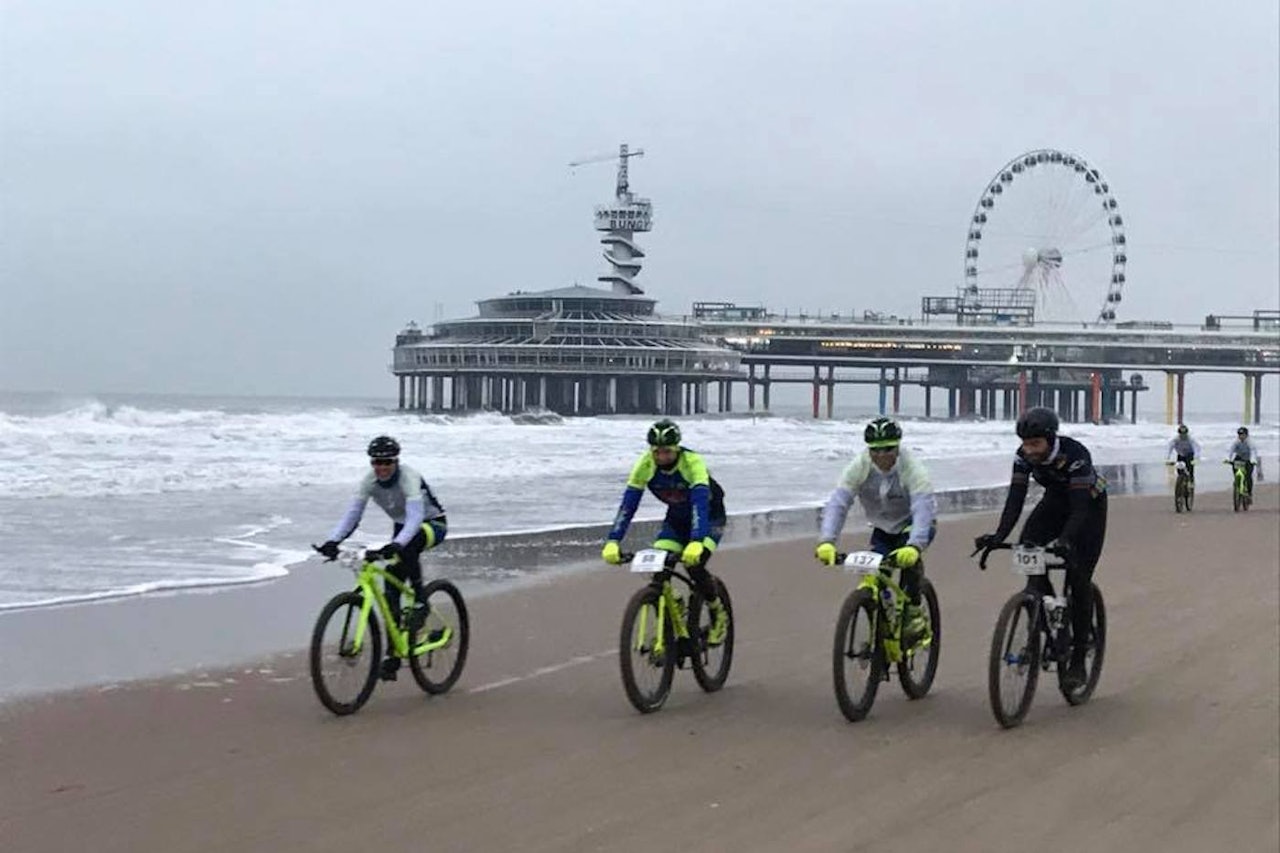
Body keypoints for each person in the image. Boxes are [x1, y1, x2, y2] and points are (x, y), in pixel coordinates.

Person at [974, 407, 1108, 692]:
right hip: (1056, 503)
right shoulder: (1023, 456)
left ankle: (1078, 659)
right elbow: (1016, 498)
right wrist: (999, 535)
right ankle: (1042, 602)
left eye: (1035, 444)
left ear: (1050, 438)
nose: (1029, 450)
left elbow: (1081, 507)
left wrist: (1065, 540)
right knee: (1027, 552)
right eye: (1024, 443)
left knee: (1078, 577)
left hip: (1088, 507)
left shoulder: (1075, 455)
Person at [315, 435, 448, 680]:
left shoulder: (409, 478)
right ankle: (394, 653)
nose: (382, 467)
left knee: (407, 548)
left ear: (396, 461)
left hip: (431, 524)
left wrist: (397, 544)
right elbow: (353, 515)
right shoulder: (369, 481)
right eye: (377, 462)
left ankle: (420, 601)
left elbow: (416, 518)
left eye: (387, 462)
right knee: (390, 590)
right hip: (402, 527)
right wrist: (333, 541)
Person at [601, 419, 730, 645]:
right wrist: (613, 540)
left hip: (709, 517)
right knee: (659, 566)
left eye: (667, 452)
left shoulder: (692, 462)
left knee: (694, 564)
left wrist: (697, 540)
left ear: (677, 448)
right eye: (657, 452)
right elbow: (628, 506)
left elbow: (700, 502)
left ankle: (718, 612)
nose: (661, 457)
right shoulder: (645, 464)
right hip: (677, 519)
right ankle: (674, 605)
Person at [814, 417, 937, 648]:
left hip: (914, 524)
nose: (881, 456)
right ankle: (880, 619)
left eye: (888, 449)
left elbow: (922, 508)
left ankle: (913, 614)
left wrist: (914, 546)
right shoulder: (859, 466)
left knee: (907, 563)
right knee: (876, 572)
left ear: (898, 447)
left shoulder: (912, 469)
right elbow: (839, 503)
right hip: (883, 528)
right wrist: (827, 541)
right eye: (875, 450)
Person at [1225, 426, 1264, 496]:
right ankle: (1237, 483)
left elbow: (1253, 451)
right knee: (1236, 470)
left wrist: (1252, 460)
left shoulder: (1250, 442)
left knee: (1248, 476)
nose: (1241, 436)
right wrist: (1228, 459)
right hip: (1239, 458)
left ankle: (1249, 493)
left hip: (1249, 459)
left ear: (1246, 435)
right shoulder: (1236, 442)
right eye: (1239, 434)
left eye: (1242, 434)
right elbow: (1231, 450)